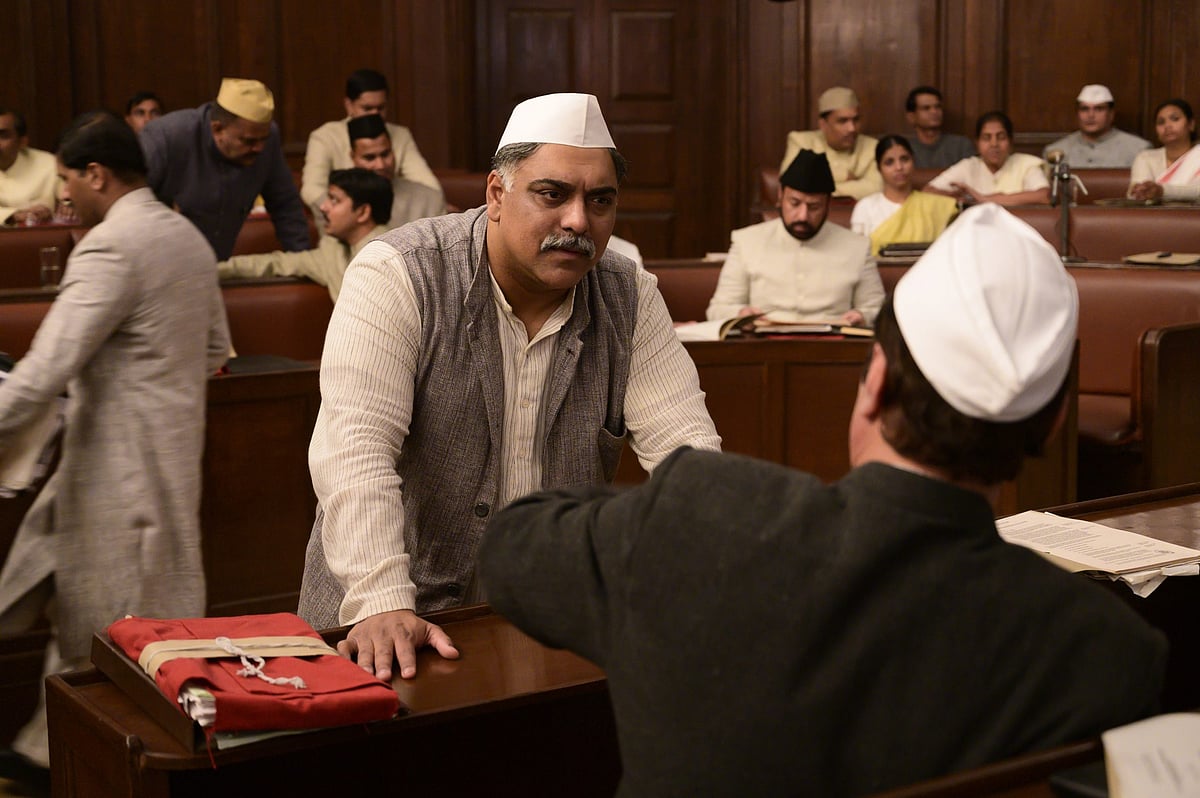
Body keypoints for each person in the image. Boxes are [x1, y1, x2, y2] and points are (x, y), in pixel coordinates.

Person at [479, 203, 1167, 797]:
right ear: (1049, 427)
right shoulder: (1107, 652)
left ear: (874, 381)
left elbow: (513, 546)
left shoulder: (704, 514)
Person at [297, 92, 721, 681]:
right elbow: (355, 449)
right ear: (497, 194)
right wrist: (380, 601)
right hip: (392, 634)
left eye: (600, 201)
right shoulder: (398, 272)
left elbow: (686, 448)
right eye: (553, 194)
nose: (579, 221)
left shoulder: (629, 295)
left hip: (546, 631)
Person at [0, 111, 229, 784]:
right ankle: (44, 751)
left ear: (96, 174)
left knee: (105, 632)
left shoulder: (109, 246)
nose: (65, 193)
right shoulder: (186, 236)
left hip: (115, 475)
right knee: (93, 623)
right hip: (170, 466)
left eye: (69, 180)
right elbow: (215, 349)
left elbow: (44, 371)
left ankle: (68, 762)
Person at [140, 77, 310, 260]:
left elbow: (285, 205)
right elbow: (132, 206)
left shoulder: (265, 138)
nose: (259, 148)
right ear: (217, 129)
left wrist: (301, 260)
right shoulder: (165, 137)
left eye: (264, 140)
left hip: (217, 268)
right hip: (159, 265)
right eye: (249, 141)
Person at [707, 149, 883, 325]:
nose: (802, 216)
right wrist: (741, 313)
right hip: (763, 345)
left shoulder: (857, 247)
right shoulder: (746, 241)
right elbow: (718, 309)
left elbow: (877, 310)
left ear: (828, 204)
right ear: (780, 196)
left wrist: (863, 316)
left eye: (814, 207)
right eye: (795, 203)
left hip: (833, 346)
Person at [218, 168, 392, 302]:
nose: (323, 207)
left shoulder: (392, 255)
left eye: (334, 200)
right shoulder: (333, 252)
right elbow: (276, 263)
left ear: (362, 212)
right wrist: (212, 270)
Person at [301, 68, 442, 220]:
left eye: (381, 108)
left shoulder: (400, 134)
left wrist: (434, 205)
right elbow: (312, 189)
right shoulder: (325, 137)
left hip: (393, 218)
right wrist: (345, 217)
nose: (375, 114)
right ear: (349, 105)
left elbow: (426, 183)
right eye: (367, 108)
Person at [850, 134, 958, 255]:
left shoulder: (936, 205)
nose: (899, 167)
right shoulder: (866, 207)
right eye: (889, 162)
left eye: (904, 159)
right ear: (879, 168)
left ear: (913, 161)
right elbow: (858, 256)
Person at [925, 111, 1050, 206]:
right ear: (977, 144)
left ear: (1010, 142)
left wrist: (983, 199)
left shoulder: (1026, 164)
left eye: (1001, 137)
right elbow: (928, 192)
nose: (994, 144)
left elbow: (1044, 196)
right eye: (986, 138)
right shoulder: (968, 166)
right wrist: (959, 198)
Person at [345, 114, 445, 232]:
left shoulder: (429, 199)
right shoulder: (340, 203)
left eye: (385, 154)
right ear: (353, 157)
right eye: (370, 158)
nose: (381, 165)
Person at [780, 87, 882, 200]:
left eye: (856, 120)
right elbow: (791, 182)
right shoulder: (802, 142)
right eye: (843, 121)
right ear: (823, 124)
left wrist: (817, 188)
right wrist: (843, 175)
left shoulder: (873, 147)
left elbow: (876, 188)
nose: (852, 128)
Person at [1043, 84, 1150, 169]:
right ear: (1077, 114)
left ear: (1111, 114)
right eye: (1084, 109)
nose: (1091, 115)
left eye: (1099, 109)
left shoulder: (1138, 149)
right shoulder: (1055, 151)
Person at [1128, 98, 1200, 203]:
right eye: (1161, 122)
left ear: (1191, 124)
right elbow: (1137, 194)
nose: (1167, 126)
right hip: (1153, 217)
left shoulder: (1197, 155)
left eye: (1175, 119)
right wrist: (1140, 191)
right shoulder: (1146, 158)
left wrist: (1162, 191)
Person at [0, 107, 57, 226]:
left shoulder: (49, 164)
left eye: (3, 136)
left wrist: (67, 205)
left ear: (22, 142)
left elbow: (72, 201)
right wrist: (14, 215)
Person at [904, 86, 975, 169]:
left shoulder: (961, 145)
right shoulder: (903, 147)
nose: (934, 112)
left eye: (938, 107)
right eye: (926, 108)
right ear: (911, 117)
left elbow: (969, 176)